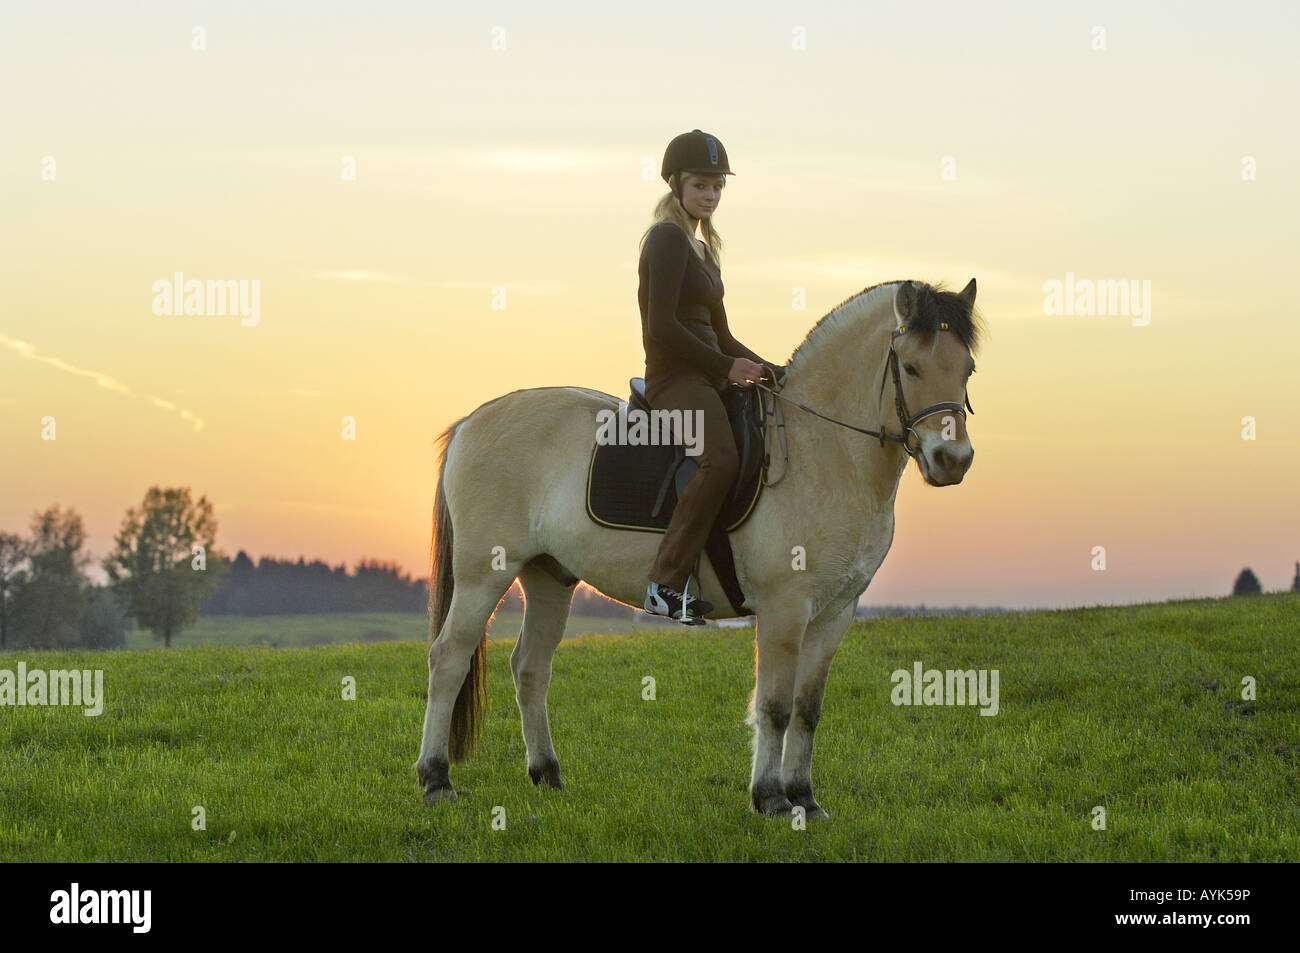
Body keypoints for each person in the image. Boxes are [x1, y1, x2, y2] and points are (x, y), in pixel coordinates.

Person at [638, 129, 784, 624]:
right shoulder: (666, 240)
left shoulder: (706, 251)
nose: (711, 195)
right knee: (720, 460)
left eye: (718, 186)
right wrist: (726, 368)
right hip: (674, 381)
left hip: (708, 377)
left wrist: (773, 370)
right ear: (677, 184)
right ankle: (664, 584)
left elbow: (722, 335)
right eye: (702, 185)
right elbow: (662, 327)